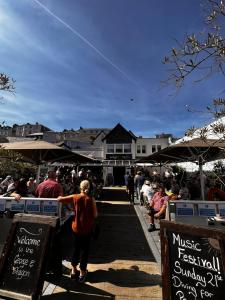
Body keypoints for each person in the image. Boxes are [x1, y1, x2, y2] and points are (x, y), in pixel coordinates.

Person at [57, 180, 98, 283]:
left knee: (76, 249)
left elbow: (60, 200)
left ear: (80, 187)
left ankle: (74, 271)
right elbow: (95, 215)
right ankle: (82, 272)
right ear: (89, 188)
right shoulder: (91, 199)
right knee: (85, 251)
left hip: (76, 228)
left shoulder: (75, 197)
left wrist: (60, 196)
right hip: (87, 229)